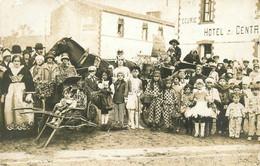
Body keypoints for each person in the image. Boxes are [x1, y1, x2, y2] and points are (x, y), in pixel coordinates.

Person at [1, 54, 35, 130]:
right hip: (11, 90)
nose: (16, 63)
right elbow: (4, 84)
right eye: (15, 61)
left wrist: (29, 94)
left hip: (21, 90)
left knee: (21, 106)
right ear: (12, 61)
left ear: (21, 62)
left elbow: (30, 83)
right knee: (9, 107)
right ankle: (12, 127)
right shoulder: (8, 71)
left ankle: (23, 126)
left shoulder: (25, 70)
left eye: (18, 61)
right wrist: (3, 95)